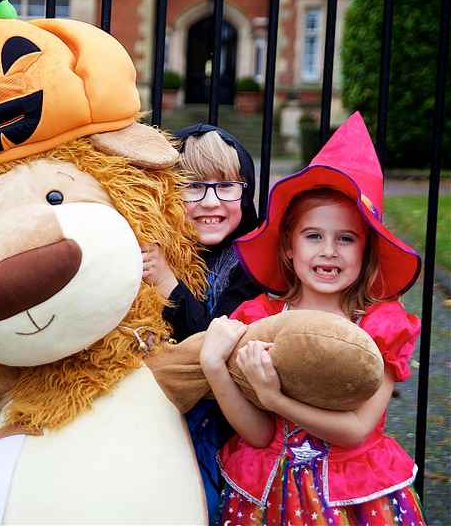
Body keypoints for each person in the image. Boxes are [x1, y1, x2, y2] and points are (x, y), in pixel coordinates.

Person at [201, 113, 426, 525]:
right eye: (313, 236)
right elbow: (258, 435)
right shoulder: (259, 318)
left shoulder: (380, 325)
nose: (329, 251)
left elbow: (358, 429)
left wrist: (275, 399)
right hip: (266, 496)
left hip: (353, 498)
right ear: (288, 246)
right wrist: (215, 367)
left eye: (346, 239)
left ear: (366, 251)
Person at [141, 124, 261, 522]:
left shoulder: (252, 265)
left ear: (247, 192)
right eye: (193, 187)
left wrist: (168, 285)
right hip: (154, 419)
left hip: (226, 428)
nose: (211, 202)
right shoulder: (155, 248)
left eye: (227, 186)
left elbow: (218, 340)